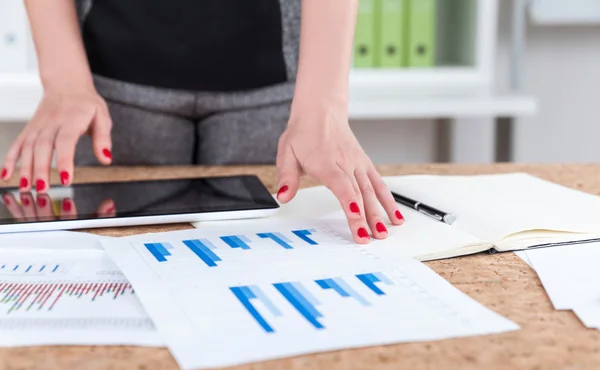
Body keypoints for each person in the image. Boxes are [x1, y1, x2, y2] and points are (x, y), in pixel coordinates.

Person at [0, 0, 405, 243]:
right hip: (110, 75)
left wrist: (323, 103)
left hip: (271, 70)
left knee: (267, 258)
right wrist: (64, 79)